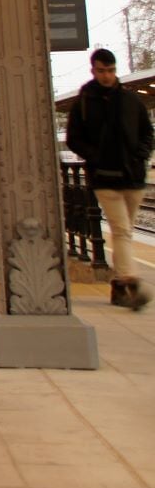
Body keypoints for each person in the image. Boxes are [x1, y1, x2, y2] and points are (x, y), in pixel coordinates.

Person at [66, 48, 153, 311]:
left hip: (133, 176)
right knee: (122, 230)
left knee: (123, 231)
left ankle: (117, 285)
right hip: (104, 178)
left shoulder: (131, 101)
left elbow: (148, 133)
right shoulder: (83, 103)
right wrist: (96, 157)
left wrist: (140, 156)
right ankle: (131, 282)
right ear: (93, 70)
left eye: (111, 70)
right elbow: (74, 139)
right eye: (102, 71)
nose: (107, 76)